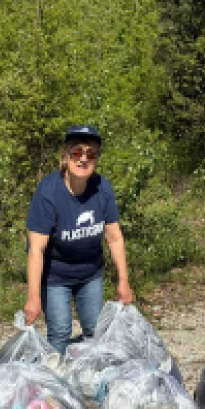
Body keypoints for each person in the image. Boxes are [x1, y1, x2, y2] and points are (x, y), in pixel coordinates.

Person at [23, 125, 133, 354]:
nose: (83, 159)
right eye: (77, 152)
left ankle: (89, 381)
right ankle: (58, 384)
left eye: (90, 154)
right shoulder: (48, 192)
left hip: (89, 272)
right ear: (65, 155)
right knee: (60, 331)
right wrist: (33, 298)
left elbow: (114, 238)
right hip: (55, 276)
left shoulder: (102, 189)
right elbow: (36, 250)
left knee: (95, 330)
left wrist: (123, 281)